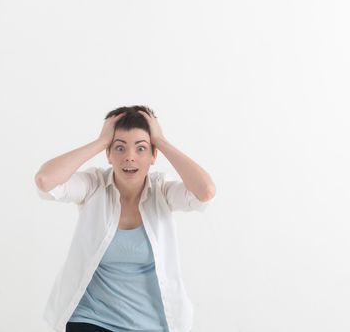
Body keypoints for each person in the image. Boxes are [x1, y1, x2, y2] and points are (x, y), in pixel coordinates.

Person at [34, 105, 216, 332]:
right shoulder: (94, 185)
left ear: (153, 155)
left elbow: (205, 191)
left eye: (141, 148)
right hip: (91, 320)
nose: (129, 157)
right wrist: (101, 141)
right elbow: (44, 180)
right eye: (119, 148)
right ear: (109, 155)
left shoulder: (162, 191)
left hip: (152, 324)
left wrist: (161, 140)